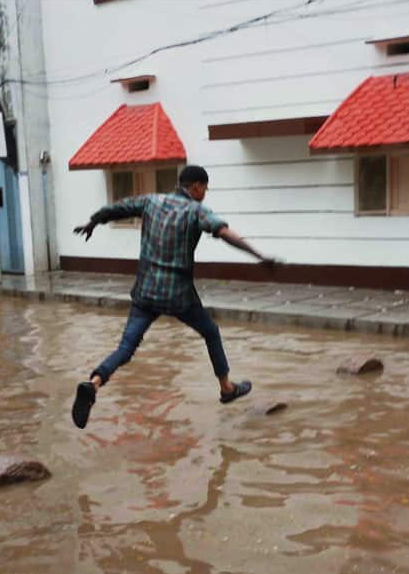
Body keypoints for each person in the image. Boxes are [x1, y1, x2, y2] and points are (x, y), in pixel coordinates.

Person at [70, 164, 278, 429]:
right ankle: (226, 388)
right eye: (205, 188)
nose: (205, 193)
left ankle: (94, 383)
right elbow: (223, 232)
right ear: (196, 187)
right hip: (178, 295)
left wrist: (93, 222)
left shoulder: (150, 201)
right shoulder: (195, 210)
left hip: (145, 292)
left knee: (125, 348)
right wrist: (259, 255)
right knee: (211, 332)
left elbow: (115, 209)